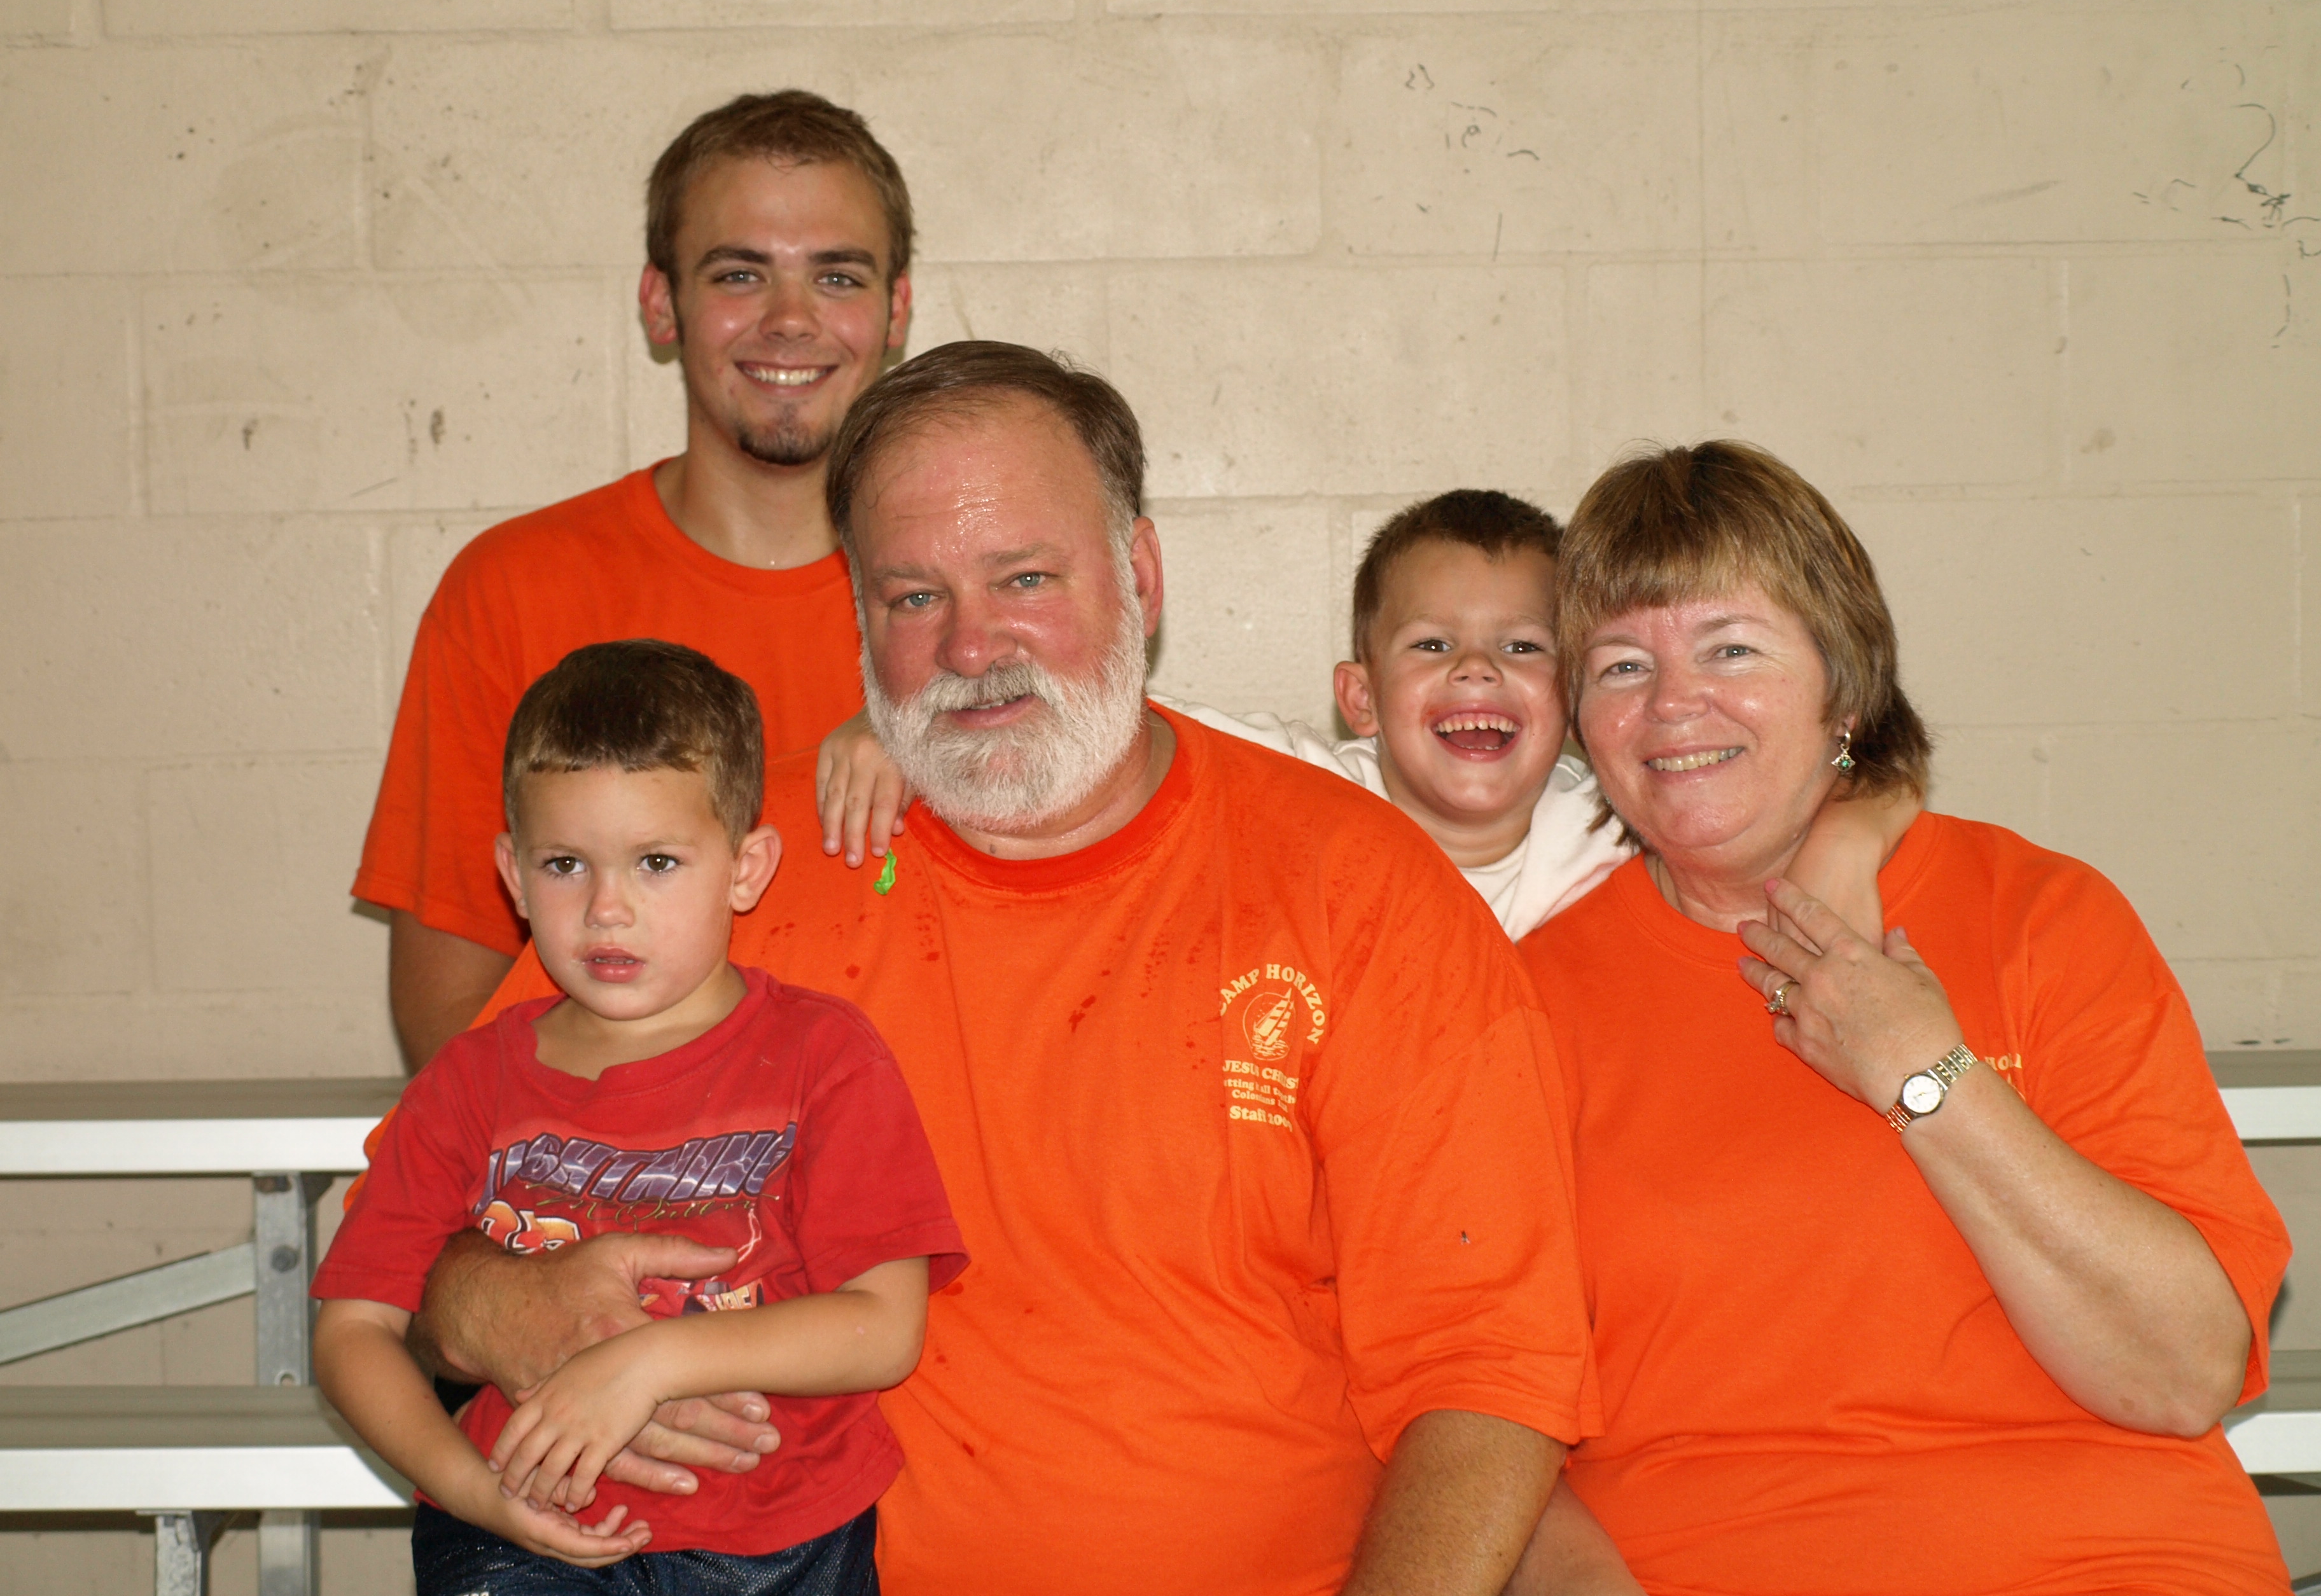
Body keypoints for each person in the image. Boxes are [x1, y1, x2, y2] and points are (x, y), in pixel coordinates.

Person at [410, 342, 1600, 1596]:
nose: (971, 647)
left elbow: (1488, 1378)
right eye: (913, 597)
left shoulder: (1360, 890)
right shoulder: (720, 880)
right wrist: (502, 1308)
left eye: (1024, 578)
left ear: (1140, 576)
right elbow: (408, 1251)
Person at [1509, 441, 2292, 1594]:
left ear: (1846, 688)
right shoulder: (1526, 1001)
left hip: (2109, 1561)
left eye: (1731, 648)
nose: (1673, 703)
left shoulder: (2040, 918)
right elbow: (1470, 1398)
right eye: (1622, 666)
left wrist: (1925, 1072)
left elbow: (2185, 1376)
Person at [315, 640, 965, 1592]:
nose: (607, 909)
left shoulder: (824, 1057)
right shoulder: (468, 1080)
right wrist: (471, 1491)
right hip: (518, 1529)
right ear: (513, 874)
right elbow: (352, 1333)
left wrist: (650, 1362)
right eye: (565, 864)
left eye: (656, 862)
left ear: (746, 868)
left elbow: (882, 1326)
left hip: (779, 1539)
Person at [355, 90, 916, 1068]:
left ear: (896, 310)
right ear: (662, 304)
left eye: (837, 276)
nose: (791, 320)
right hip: (612, 1160)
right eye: (740, 274)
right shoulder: (515, 592)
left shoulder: (973, 613)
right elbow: (452, 1023)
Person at [818, 485, 1909, 943]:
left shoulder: (1607, 821)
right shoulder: (1299, 784)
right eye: (1432, 647)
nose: (1475, 673)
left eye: (1522, 649)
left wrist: (1854, 838)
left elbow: (1832, 767)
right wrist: (898, 731)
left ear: (1576, 703)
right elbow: (1085, 715)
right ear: (1359, 701)